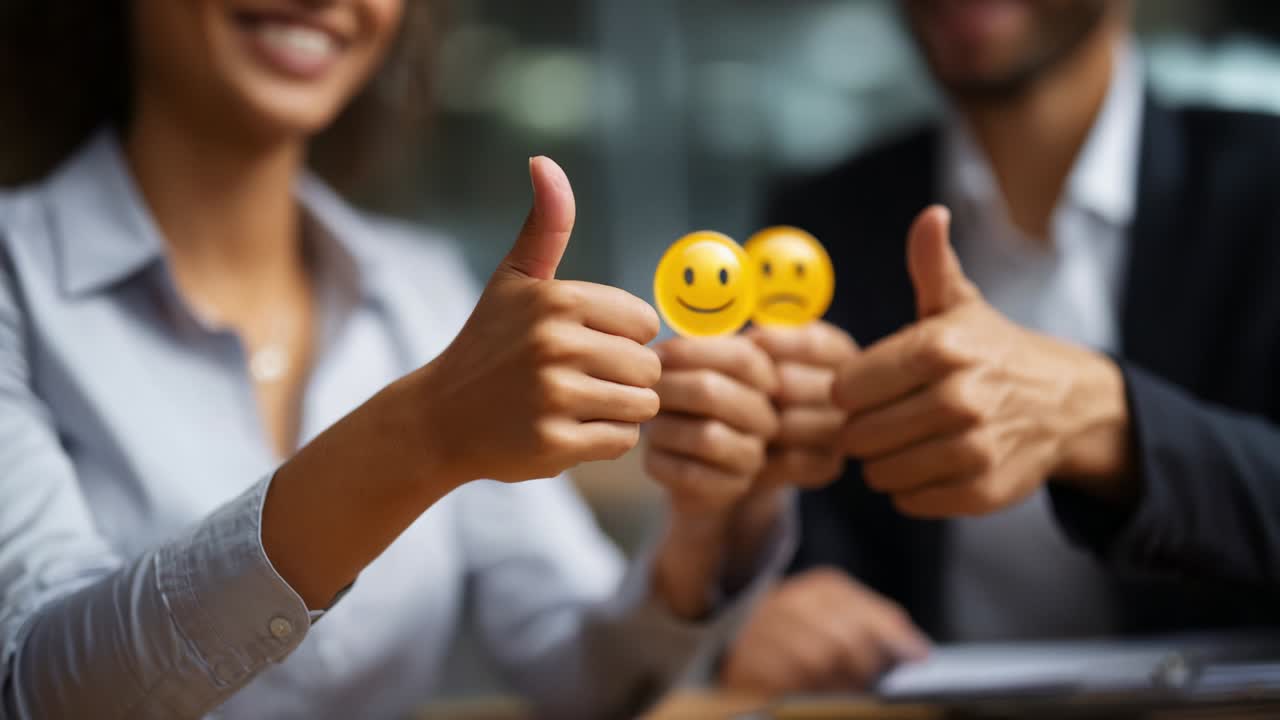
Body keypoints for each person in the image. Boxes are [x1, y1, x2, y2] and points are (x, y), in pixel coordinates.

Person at [0, 2, 795, 718]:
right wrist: (420, 436)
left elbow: (579, 671)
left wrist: (705, 521)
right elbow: (35, 692)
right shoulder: (15, 280)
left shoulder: (427, 292)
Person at [720, 0, 1280, 695]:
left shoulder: (1263, 187)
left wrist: (1108, 421)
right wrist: (764, 605)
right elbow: (799, 525)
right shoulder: (822, 221)